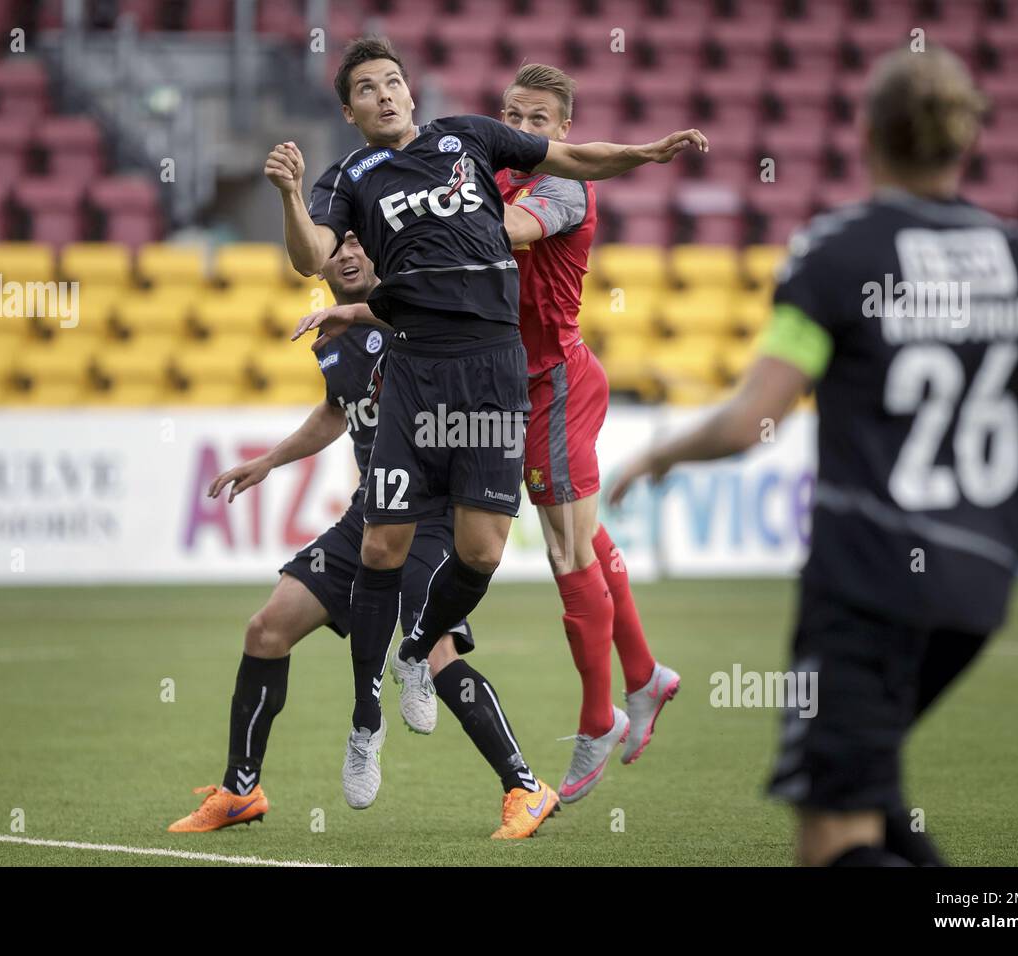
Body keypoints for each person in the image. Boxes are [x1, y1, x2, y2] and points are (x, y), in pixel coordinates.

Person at [609, 46, 1018, 865]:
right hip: (980, 581)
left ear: (866, 133)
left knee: (832, 835)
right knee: (872, 796)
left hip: (869, 577)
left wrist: (656, 455)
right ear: (967, 141)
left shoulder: (838, 254)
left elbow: (752, 419)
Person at [278, 35, 707, 837]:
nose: (385, 94)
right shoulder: (358, 176)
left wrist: (647, 153)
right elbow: (320, 257)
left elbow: (536, 194)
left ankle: (461, 660)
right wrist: (307, 216)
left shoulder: (480, 149)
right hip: (421, 373)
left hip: (514, 377)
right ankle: (377, 717)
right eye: (366, 88)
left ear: (412, 91)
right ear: (350, 108)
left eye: (394, 81)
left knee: (499, 552)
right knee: (401, 547)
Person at [167, 232, 471, 831]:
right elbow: (338, 410)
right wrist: (270, 460)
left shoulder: (415, 316)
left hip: (426, 519)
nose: (350, 253)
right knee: (266, 631)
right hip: (367, 516)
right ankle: (240, 791)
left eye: (361, 240)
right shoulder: (332, 341)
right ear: (319, 260)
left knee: (436, 655)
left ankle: (521, 782)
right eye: (338, 245)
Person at [495, 63, 679, 803]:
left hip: (558, 382)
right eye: (513, 114)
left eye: (539, 119)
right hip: (520, 384)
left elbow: (507, 232)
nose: (524, 128)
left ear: (564, 130)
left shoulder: (560, 186)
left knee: (567, 550)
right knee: (588, 539)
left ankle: (596, 717)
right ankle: (645, 674)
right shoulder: (495, 173)